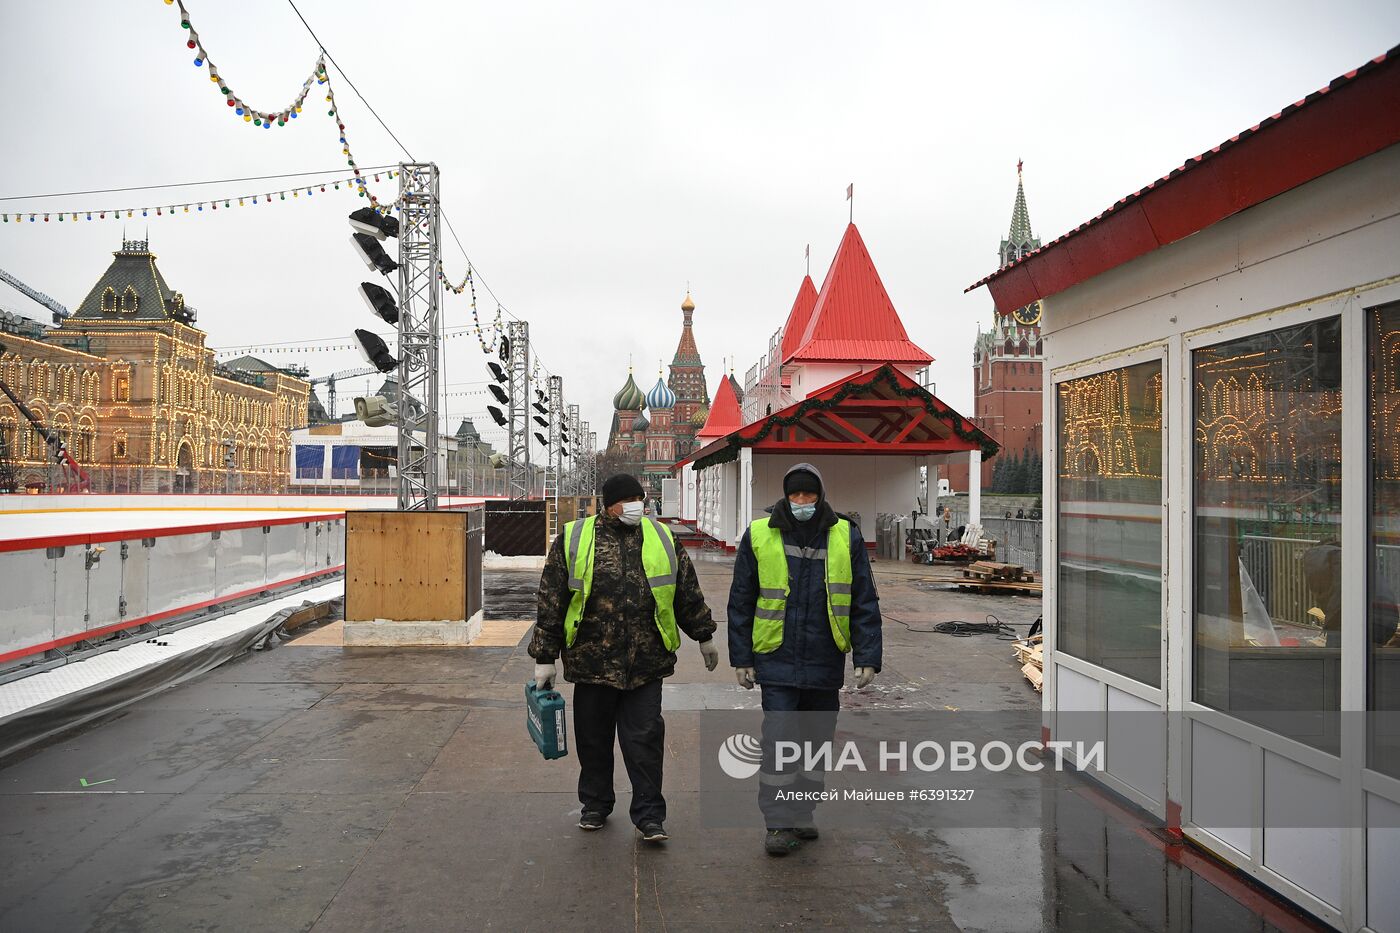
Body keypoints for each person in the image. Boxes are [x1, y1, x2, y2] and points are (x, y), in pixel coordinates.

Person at [530, 473, 718, 844]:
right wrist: (545, 656)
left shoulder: (661, 537)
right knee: (594, 740)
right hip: (591, 662)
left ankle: (649, 815)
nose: (636, 505)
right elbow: (551, 600)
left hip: (647, 662)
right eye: (628, 499)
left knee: (645, 740)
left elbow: (685, 592)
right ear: (609, 503)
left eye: (640, 497)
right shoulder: (575, 538)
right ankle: (596, 805)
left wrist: (704, 635)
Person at [726, 462, 882, 855]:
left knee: (815, 744)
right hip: (776, 659)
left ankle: (802, 813)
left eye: (808, 495)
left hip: (824, 659)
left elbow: (864, 599)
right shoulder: (760, 535)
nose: (801, 502)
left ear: (820, 496)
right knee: (779, 740)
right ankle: (778, 824)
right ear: (784, 495)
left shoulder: (845, 535)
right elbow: (741, 601)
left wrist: (868, 656)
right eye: (794, 495)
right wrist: (741, 657)